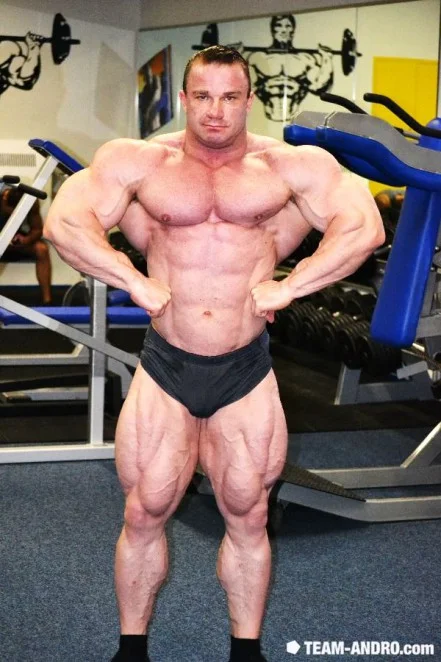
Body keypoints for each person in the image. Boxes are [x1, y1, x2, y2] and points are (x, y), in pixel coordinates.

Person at [43, 46, 384, 662]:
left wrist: (292, 286)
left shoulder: (289, 167)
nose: (215, 111)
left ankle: (245, 652)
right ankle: (130, 651)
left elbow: (363, 227)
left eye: (230, 97)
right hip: (166, 364)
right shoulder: (141, 162)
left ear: (249, 100)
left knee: (249, 515)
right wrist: (132, 279)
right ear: (184, 98)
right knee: (144, 510)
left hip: (244, 368)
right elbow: (65, 222)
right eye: (202, 96)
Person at [244, 14, 334, 121]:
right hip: (265, 115)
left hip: (295, 116)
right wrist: (236, 54)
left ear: (293, 30)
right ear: (272, 30)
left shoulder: (305, 60)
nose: (283, 30)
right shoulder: (256, 58)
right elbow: (245, 87)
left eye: (287, 26)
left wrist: (327, 59)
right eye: (279, 25)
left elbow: (319, 87)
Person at [0, 187, 52, 304]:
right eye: (11, 211)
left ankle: (47, 301)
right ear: (4, 199)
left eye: (18, 213)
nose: (15, 215)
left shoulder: (30, 201)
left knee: (41, 249)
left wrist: (25, 240)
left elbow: (37, 230)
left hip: (13, 241)